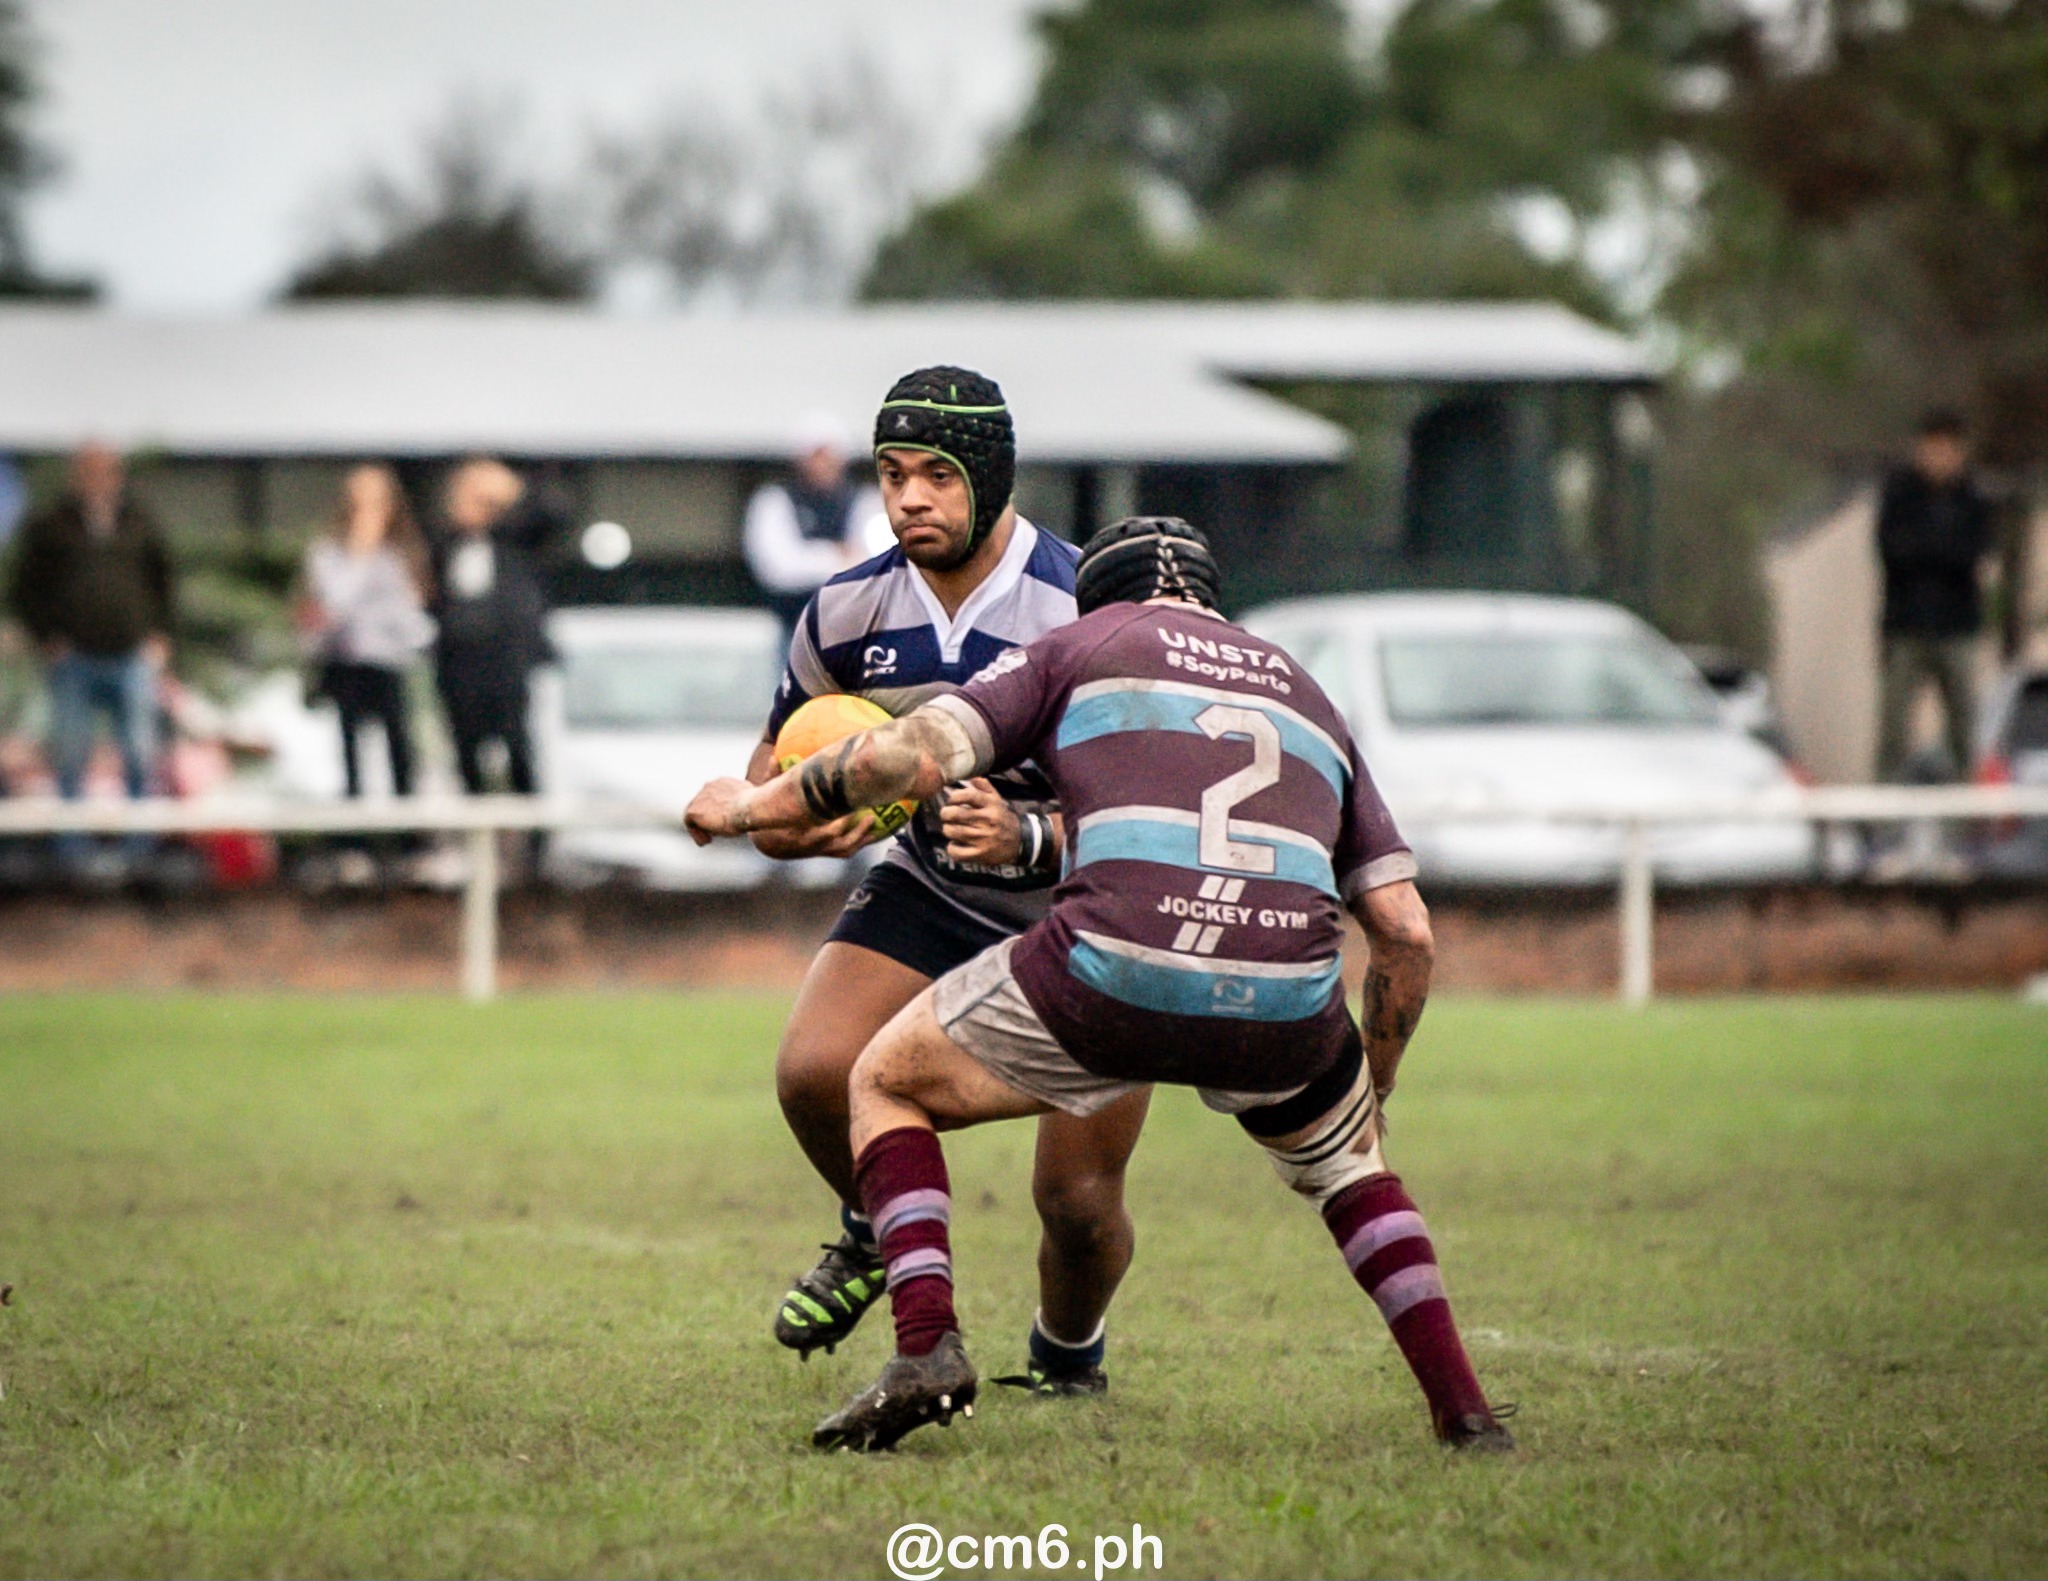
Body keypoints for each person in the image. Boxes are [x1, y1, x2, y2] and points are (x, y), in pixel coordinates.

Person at [686, 517, 1515, 1455]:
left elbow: (896, 759)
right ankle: (1466, 1413)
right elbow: (1404, 926)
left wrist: (747, 804)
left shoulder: (1082, 643)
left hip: (1114, 964)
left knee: (881, 1081)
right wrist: (1377, 1079)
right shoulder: (1304, 688)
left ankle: (925, 1348)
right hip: (1286, 988)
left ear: (1096, 597)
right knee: (1352, 1172)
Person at [746, 366, 1150, 1397]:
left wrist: (1030, 837)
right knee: (811, 1073)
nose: (908, 497)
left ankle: (1067, 1352)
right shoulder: (843, 609)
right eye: (889, 474)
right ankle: (883, 1230)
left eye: (935, 474)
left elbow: (1157, 809)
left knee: (1075, 1200)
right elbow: (772, 780)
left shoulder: (1084, 601)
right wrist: (813, 821)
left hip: (1085, 911)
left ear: (990, 476)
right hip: (932, 888)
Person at [8, 442, 175, 867]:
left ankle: (141, 848)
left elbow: (163, 582)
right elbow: (25, 589)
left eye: (106, 470)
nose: (98, 479)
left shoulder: (140, 521)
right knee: (70, 752)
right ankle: (72, 853)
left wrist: (160, 635)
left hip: (130, 654)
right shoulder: (50, 525)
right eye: (89, 470)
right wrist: (47, 637)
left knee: (139, 751)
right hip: (74, 658)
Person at [428, 458, 564, 798]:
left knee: (518, 748)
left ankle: (531, 843)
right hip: (459, 660)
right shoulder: (445, 542)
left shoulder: (516, 539)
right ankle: (476, 839)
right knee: (466, 753)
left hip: (507, 657)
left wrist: (512, 490)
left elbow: (554, 515)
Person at [300, 464, 435, 802]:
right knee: (349, 753)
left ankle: (409, 835)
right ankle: (354, 838)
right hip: (346, 661)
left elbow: (413, 615)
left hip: (391, 663)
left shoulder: (403, 553)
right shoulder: (329, 553)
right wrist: (361, 554)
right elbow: (334, 603)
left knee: (400, 749)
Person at [1876, 411, 1997, 779]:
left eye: (1948, 449)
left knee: (1963, 723)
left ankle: (1967, 816)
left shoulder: (1973, 497)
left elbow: (1973, 554)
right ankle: (1880, 817)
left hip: (1957, 626)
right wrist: (1940, 550)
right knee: (1893, 725)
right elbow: (1892, 553)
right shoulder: (1899, 494)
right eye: (1933, 448)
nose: (1940, 457)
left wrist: (1930, 550)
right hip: (1906, 625)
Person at [743, 412, 884, 640]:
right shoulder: (775, 500)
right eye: (815, 456)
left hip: (855, 632)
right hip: (793, 626)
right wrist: (838, 554)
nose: (822, 464)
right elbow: (779, 570)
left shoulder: (866, 501)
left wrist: (813, 558)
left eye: (829, 455)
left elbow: (878, 564)